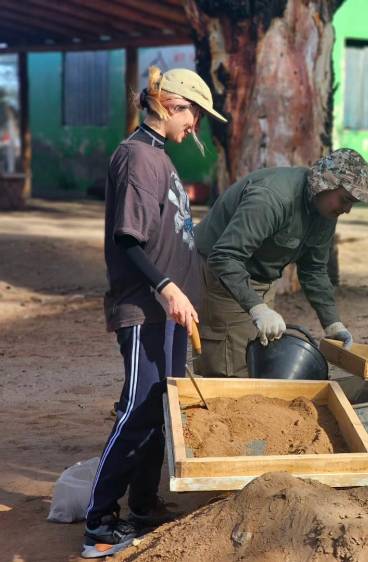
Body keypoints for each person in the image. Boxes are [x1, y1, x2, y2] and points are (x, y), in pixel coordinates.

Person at [82, 67, 227, 558]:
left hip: (170, 312)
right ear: (171, 105)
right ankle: (99, 527)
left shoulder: (157, 155)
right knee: (139, 411)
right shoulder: (138, 157)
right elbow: (129, 237)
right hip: (146, 309)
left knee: (160, 411)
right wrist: (166, 287)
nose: (196, 128)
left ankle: (143, 508)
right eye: (195, 116)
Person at [193, 148, 368, 377]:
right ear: (326, 183)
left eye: (354, 203)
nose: (348, 210)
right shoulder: (272, 198)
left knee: (259, 361)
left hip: (259, 276)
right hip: (219, 274)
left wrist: (332, 323)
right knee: (229, 367)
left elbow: (314, 269)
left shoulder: (325, 210)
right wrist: (257, 308)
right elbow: (224, 257)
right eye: (345, 200)